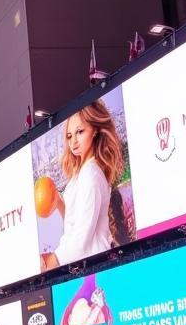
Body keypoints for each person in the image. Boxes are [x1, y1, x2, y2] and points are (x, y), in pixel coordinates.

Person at [39, 100, 124, 271]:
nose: (73, 143)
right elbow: (75, 223)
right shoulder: (82, 173)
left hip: (95, 266)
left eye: (80, 132)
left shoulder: (91, 174)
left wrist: (51, 263)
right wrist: (59, 204)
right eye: (70, 136)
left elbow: (81, 238)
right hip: (86, 265)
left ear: (94, 131)